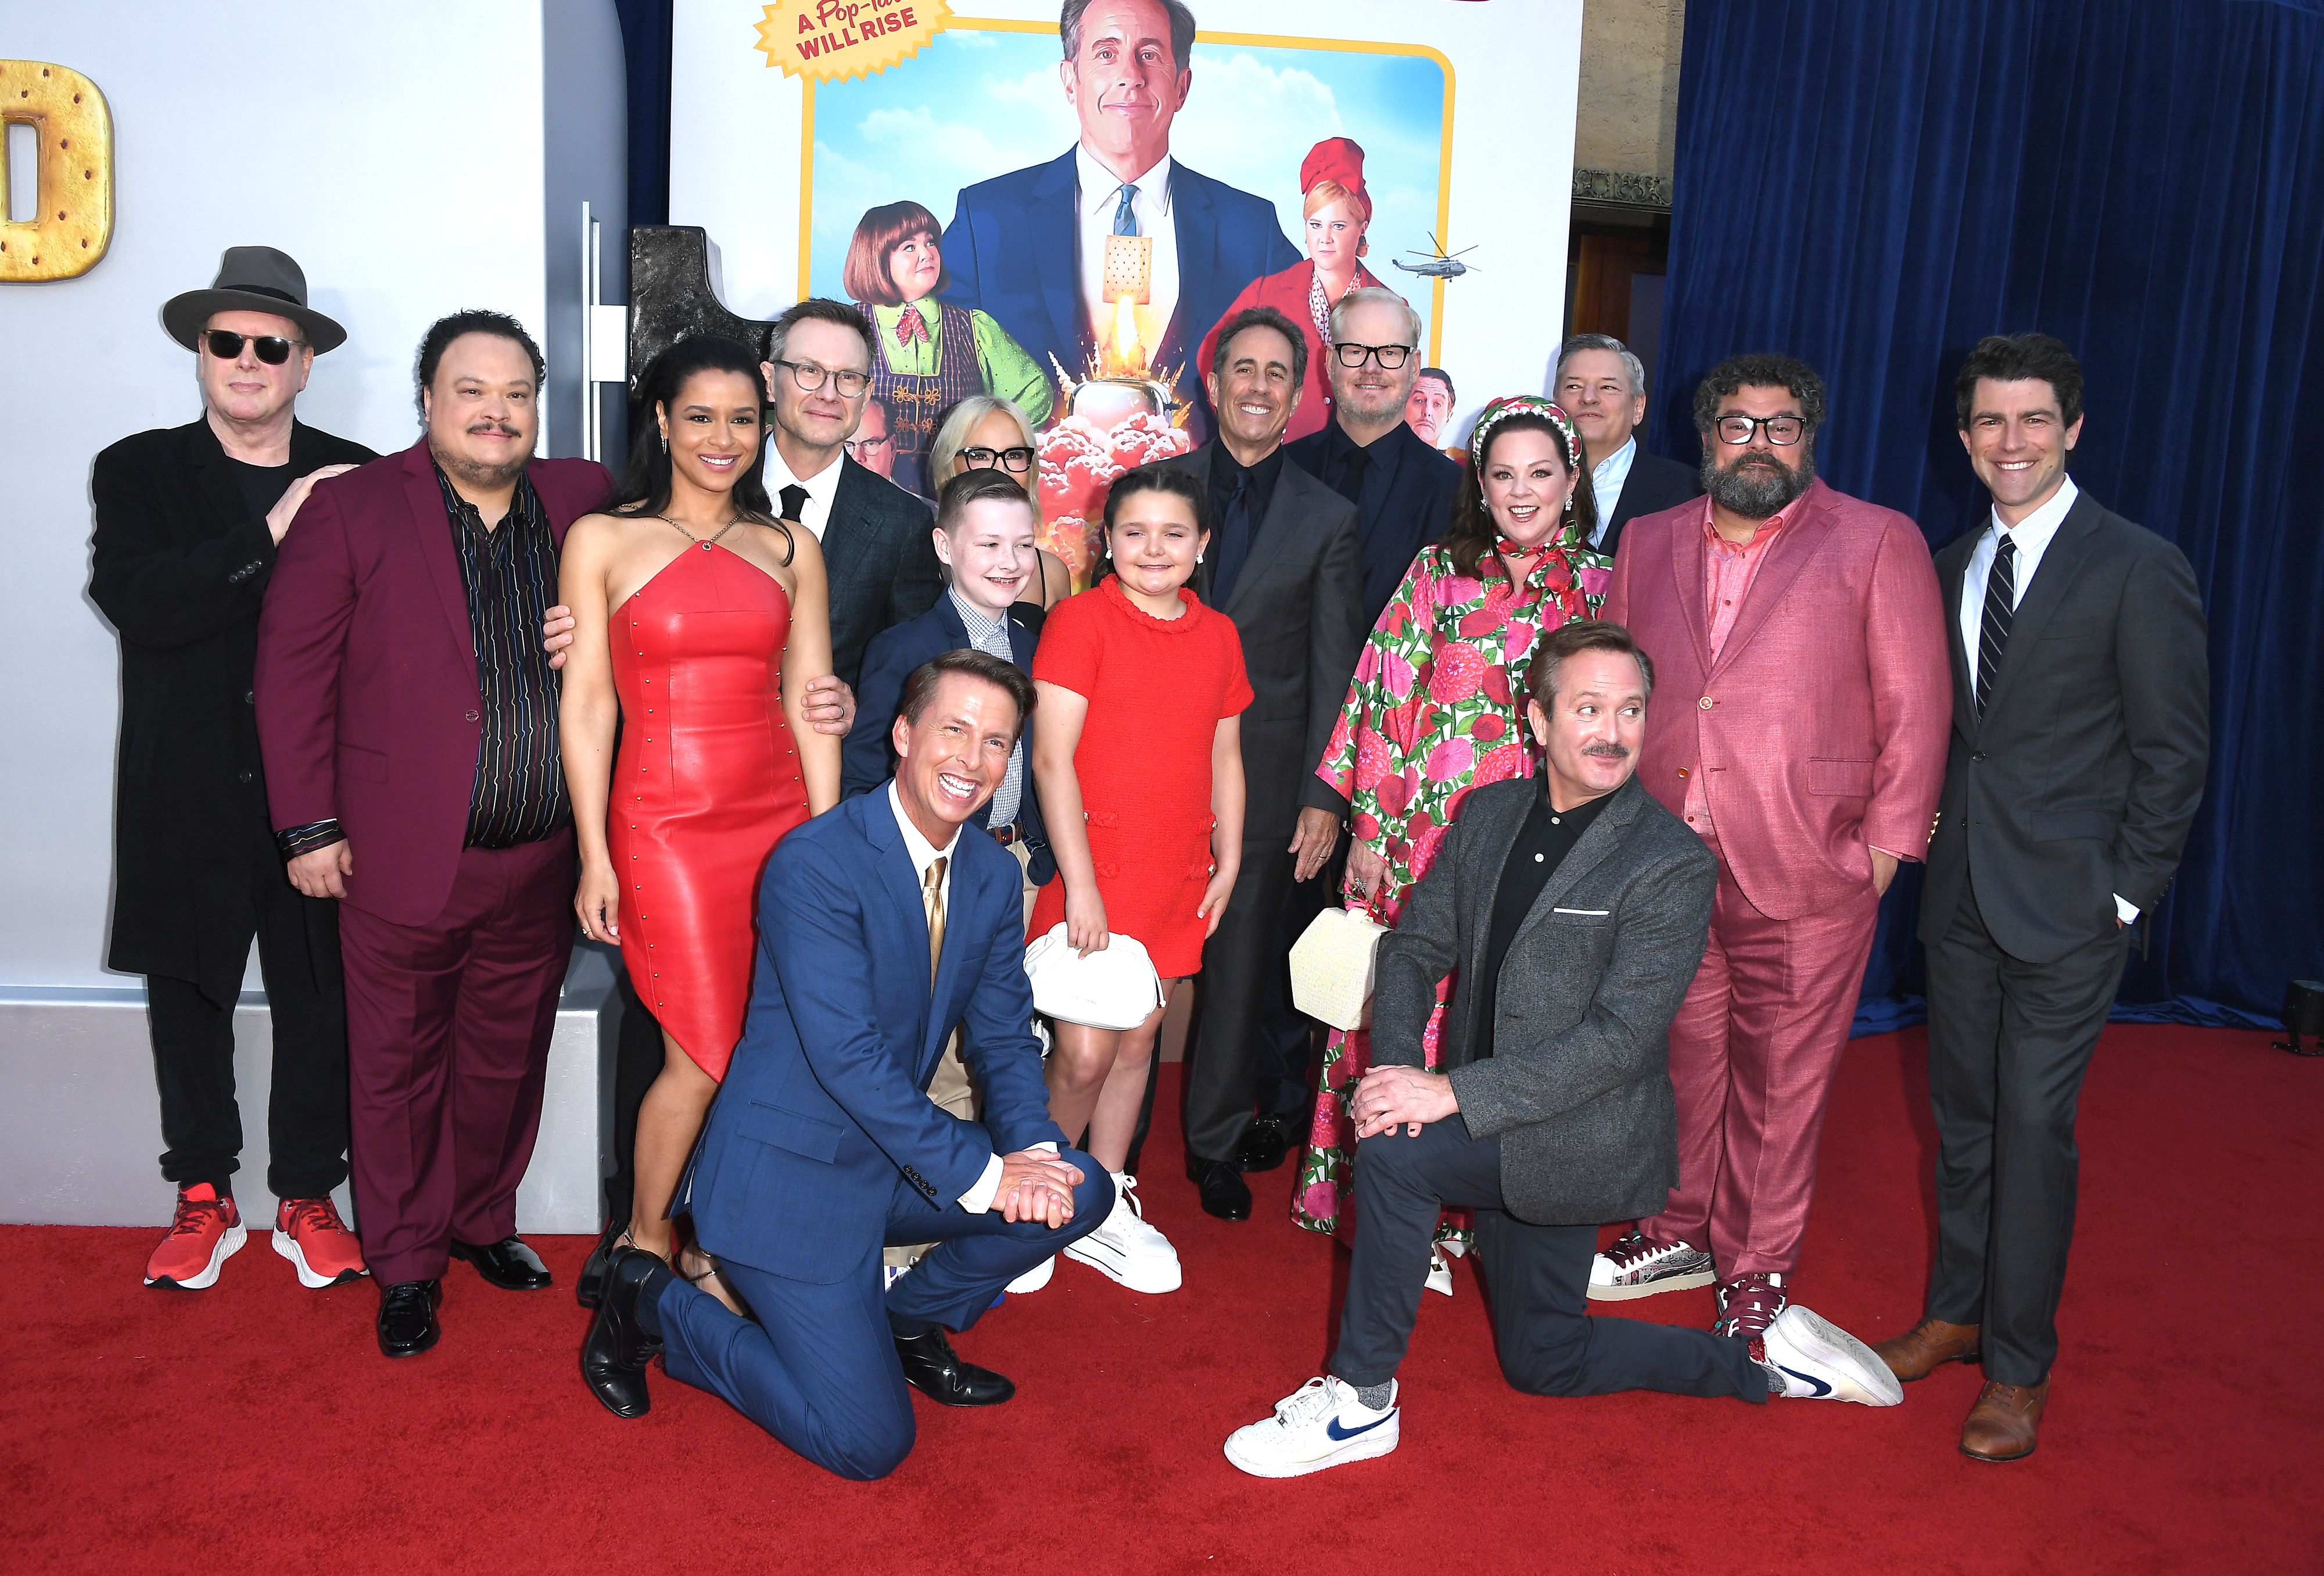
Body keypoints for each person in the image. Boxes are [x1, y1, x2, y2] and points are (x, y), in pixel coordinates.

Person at [1221, 621, 1903, 1479]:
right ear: (1538, 722)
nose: (1612, 732)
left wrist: (1449, 1097)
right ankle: (1759, 1365)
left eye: (1630, 711)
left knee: (1399, 1158)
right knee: (1546, 1361)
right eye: (1588, 709)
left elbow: (1619, 1043)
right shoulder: (1490, 813)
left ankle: (1360, 1402)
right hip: (1497, 1118)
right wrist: (1399, 1069)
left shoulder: (1670, 863)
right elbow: (1413, 948)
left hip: (1581, 1136)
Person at [581, 651, 1116, 1480]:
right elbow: (849, 1060)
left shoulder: (986, 875)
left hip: (888, 1164)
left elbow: (1006, 1039)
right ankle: (653, 1299)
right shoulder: (818, 862)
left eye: (998, 744)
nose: (973, 761)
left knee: (1081, 1188)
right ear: (903, 734)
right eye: (954, 731)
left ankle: (903, 1322)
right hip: (787, 1186)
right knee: (869, 1444)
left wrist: (1034, 1156)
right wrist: (985, 1172)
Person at [1872, 334, 2207, 1462]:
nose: (2006, 442)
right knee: (1961, 1125)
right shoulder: (1944, 559)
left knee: (2029, 1127)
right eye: (1985, 423)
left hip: (2071, 909)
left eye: (2029, 421)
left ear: (2070, 428)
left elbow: (2172, 754)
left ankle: (2017, 1368)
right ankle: (1957, 1312)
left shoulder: (2134, 564)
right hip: (1959, 897)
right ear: (1961, 438)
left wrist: (2124, 898)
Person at [255, 310, 612, 1359]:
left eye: (515, 393)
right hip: (398, 851)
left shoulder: (583, 499)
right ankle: (406, 1262)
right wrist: (308, 827)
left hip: (541, 855)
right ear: (427, 401)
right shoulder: (354, 508)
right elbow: (290, 676)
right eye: (472, 390)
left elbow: (666, 590)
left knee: (507, 1057)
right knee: (399, 1066)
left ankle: (482, 1221)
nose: (496, 412)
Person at [1597, 353, 1950, 1340]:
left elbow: (1918, 711)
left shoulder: (1880, 540)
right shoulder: (1649, 538)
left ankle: (1756, 1262)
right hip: (1664, 865)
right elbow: (1618, 693)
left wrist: (1879, 855)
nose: (1759, 443)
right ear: (1706, 435)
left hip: (1809, 862)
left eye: (1781, 425)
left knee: (1781, 1078)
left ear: (1809, 438)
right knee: (1683, 1063)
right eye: (1738, 425)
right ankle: (1681, 1226)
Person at [91, 246, 373, 1292]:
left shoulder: (361, 472)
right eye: (228, 342)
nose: (247, 360)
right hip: (185, 786)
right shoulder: (140, 470)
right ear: (201, 355)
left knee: (323, 995)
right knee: (189, 994)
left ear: (304, 365)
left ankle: (308, 1191)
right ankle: (201, 1193)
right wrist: (274, 527)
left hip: (317, 794)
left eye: (272, 345)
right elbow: (143, 602)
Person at [1296, 396, 1610, 1290]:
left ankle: (1496, 1209)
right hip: (1426, 836)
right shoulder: (1439, 570)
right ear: (1481, 482)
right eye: (1502, 474)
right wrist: (1370, 828)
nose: (1521, 492)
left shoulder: (1602, 584)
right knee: (1412, 1010)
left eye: (1540, 473)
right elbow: (1381, 700)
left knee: (1519, 1011)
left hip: (1548, 841)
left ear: (1572, 480)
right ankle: (1407, 1209)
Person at [558, 335, 842, 1288]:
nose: (723, 438)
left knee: (764, 1053)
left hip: (777, 820)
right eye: (701, 417)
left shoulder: (790, 546)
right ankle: (645, 1241)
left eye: (743, 419)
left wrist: (830, 847)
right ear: (662, 422)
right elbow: (590, 704)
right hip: (665, 830)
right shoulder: (601, 540)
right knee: (703, 1052)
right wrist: (594, 853)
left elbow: (812, 699)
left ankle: (719, 1243)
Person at [1246, 288, 1464, 1176]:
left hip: (1408, 765)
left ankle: (1373, 1119)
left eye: (1392, 353)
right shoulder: (1280, 471)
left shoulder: (1458, 492)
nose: (1372, 368)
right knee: (1279, 934)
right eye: (1354, 352)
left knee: (1395, 950)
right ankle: (1278, 1104)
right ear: (1327, 366)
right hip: (1293, 750)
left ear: (1417, 367)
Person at [1159, 305, 1364, 1220]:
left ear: (1298, 394)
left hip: (1273, 780)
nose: (1256, 386)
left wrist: (1326, 795)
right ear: (1213, 382)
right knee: (1132, 953)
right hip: (1149, 767)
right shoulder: (1153, 491)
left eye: (1277, 373)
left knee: (1241, 966)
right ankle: (1104, 1151)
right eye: (1241, 368)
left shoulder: (1330, 519)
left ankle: (1211, 1149)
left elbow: (1334, 666)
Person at [1024, 464, 1249, 1291]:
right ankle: (1036, 1192)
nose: (1154, 549)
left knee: (1140, 1042)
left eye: (1174, 533)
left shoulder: (1220, 634)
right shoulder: (1082, 622)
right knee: (1083, 1051)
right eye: (1135, 532)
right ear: (1104, 540)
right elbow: (1051, 758)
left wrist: (1230, 855)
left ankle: (1104, 1196)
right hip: (1096, 868)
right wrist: (1080, 885)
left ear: (1203, 544)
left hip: (1175, 869)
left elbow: (1225, 752)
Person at [940, 0, 1303, 444]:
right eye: (1106, 53)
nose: (1130, 75)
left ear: (1182, 86)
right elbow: (939, 381)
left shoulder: (1252, 231)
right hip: (1028, 505)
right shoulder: (987, 220)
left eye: (1149, 54)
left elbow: (1307, 375)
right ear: (1070, 80)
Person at [758, 298, 944, 689]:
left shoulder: (902, 522)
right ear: (770, 380)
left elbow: (912, 673)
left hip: (833, 746)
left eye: (848, 378)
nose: (828, 393)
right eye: (809, 371)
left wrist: (857, 708)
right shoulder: (712, 489)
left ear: (866, 393)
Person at [845, 200, 1053, 497]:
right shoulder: (847, 327)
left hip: (955, 500)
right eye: (909, 247)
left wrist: (988, 447)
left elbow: (1035, 392)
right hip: (864, 496)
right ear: (876, 257)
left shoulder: (973, 327)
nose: (926, 254)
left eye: (930, 242)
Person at [1196, 138, 1395, 445]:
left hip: (1358, 468)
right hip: (1280, 463)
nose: (1324, 238)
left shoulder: (1391, 307)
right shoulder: (1266, 292)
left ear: (1363, 227)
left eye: (1338, 226)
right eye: (1315, 225)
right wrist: (1246, 423)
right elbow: (1210, 355)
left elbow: (1398, 394)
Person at [1553, 332, 1699, 558]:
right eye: (1574, 386)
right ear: (1555, 403)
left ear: (1638, 407)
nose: (1589, 398)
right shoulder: (1522, 483)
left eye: (1608, 387)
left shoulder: (1690, 491)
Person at [926, 395, 1073, 613]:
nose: (1000, 470)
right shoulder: (915, 564)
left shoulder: (1051, 574)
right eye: (980, 455)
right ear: (948, 465)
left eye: (1014, 455)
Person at [1404, 368, 1461, 460]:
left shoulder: (1455, 472)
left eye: (1437, 404)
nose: (1427, 412)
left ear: (1449, 417)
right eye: (1419, 400)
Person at [845, 394, 898, 481]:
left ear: (892, 447)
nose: (857, 457)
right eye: (848, 445)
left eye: (871, 444)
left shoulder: (906, 496)